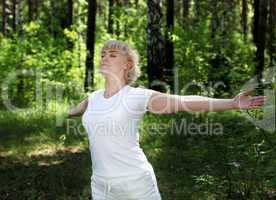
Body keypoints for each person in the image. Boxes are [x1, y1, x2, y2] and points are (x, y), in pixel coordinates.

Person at [67, 40, 266, 200]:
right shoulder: (94, 97)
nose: (104, 58)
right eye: (102, 54)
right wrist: (66, 114)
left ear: (128, 64)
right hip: (101, 185)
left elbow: (183, 101)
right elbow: (78, 109)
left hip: (134, 184)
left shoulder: (135, 96)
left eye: (112, 55)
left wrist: (231, 103)